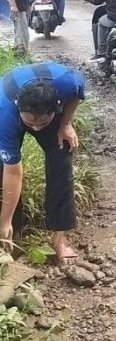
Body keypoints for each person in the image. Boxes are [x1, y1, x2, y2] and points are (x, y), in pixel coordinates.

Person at [0, 63, 86, 263]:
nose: (36, 129)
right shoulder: (5, 115)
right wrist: (5, 221)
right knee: (2, 168)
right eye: (31, 124)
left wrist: (65, 123)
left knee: (61, 160)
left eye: (42, 123)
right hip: (11, 110)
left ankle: (60, 239)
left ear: (57, 107)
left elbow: (78, 91)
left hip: (47, 104)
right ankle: (12, 234)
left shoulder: (67, 81)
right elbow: (13, 172)